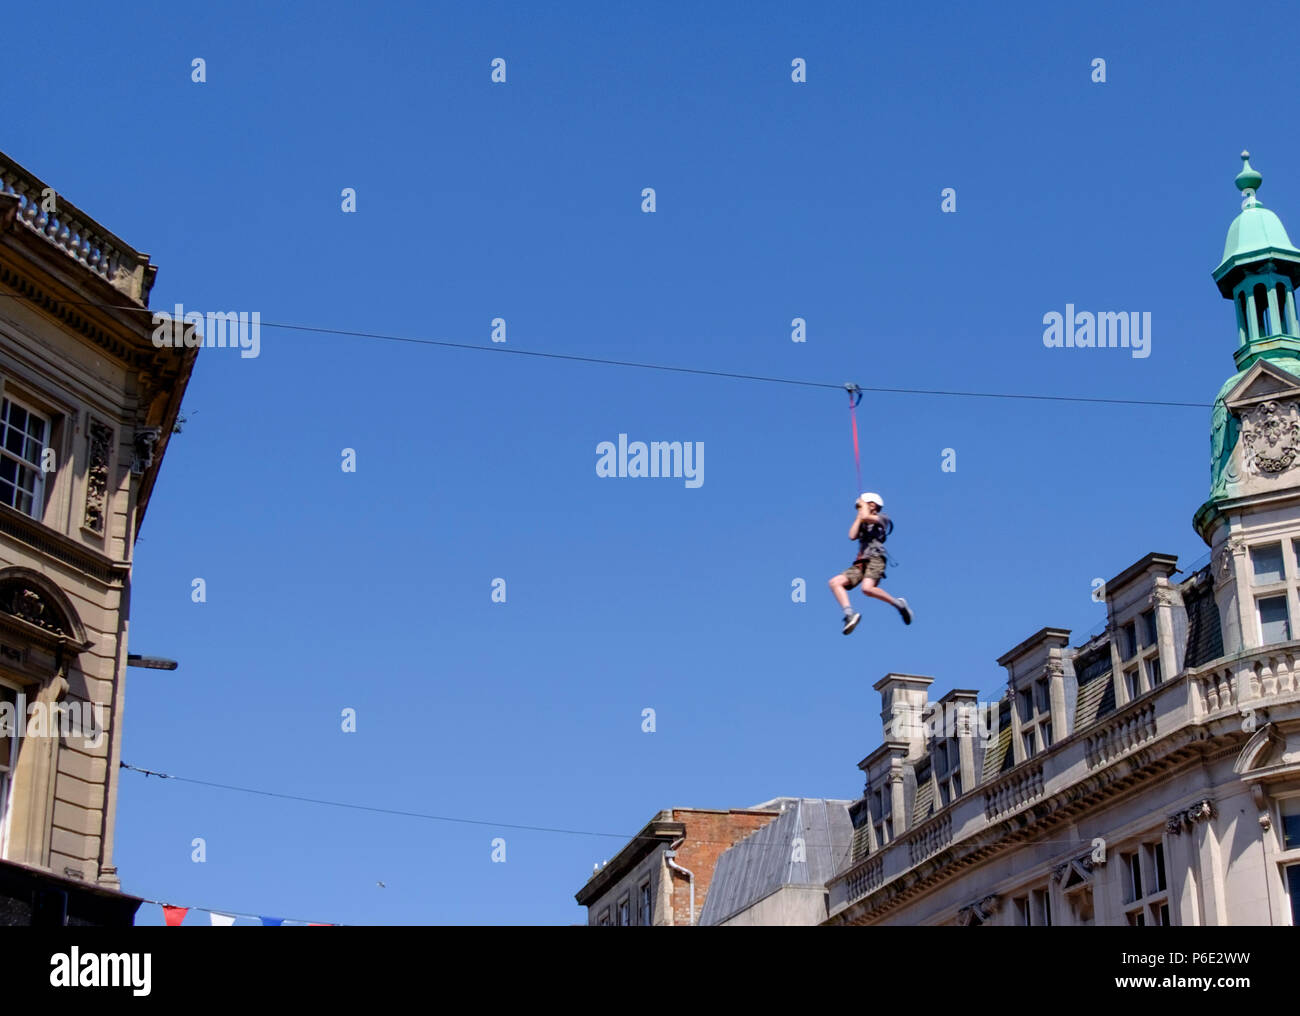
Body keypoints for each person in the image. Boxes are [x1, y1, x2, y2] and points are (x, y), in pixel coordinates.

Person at [829, 492, 912, 635]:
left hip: (876, 558)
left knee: (867, 589)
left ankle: (899, 604)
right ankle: (849, 614)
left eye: (862, 505)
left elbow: (868, 517)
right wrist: (858, 518)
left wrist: (863, 512)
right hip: (861, 562)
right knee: (835, 583)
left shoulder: (883, 518)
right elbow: (852, 535)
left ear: (872, 505)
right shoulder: (862, 521)